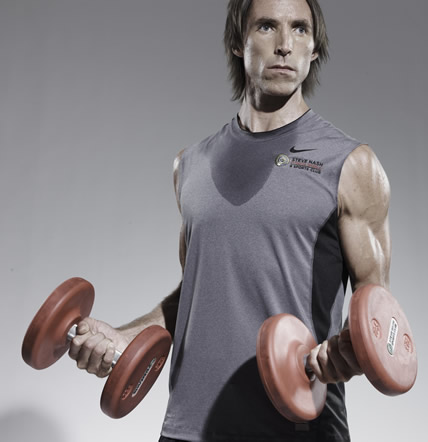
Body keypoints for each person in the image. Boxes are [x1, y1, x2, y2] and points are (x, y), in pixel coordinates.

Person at [69, 0, 392, 440]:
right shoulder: (191, 165)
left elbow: (377, 314)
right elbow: (199, 296)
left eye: (300, 29)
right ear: (238, 42)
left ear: (315, 49)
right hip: (190, 428)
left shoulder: (351, 165)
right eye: (266, 26)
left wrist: (350, 351)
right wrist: (125, 336)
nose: (284, 45)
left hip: (299, 429)